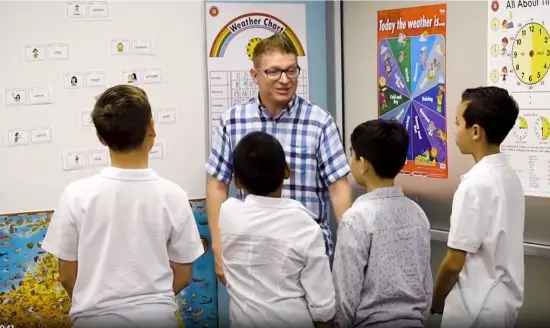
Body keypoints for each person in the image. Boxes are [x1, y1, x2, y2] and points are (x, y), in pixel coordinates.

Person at [41, 84, 205, 328]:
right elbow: (183, 274)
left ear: (100, 137)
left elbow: (66, 276)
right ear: (152, 128)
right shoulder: (174, 196)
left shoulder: (75, 196)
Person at [206, 32, 352, 284]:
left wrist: (350, 252)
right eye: (273, 72)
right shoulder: (232, 121)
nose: (284, 80)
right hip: (252, 257)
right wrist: (219, 250)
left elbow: (339, 188)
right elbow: (217, 185)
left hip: (309, 258)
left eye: (291, 70)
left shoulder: (319, 121)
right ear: (255, 76)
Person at [219, 131, 335, 328]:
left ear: (237, 180)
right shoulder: (304, 225)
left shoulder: (228, 214)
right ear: (286, 171)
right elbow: (323, 309)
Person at [432, 86, 525, 328]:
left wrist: (436, 300)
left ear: (475, 131)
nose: (454, 131)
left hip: (475, 309)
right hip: (503, 303)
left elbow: (454, 261)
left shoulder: (474, 184)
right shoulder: (510, 176)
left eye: (456, 123)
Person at [332, 119, 432, 328]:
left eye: (352, 154)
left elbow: (345, 296)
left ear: (364, 164)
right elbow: (425, 284)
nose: (350, 161)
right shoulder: (418, 214)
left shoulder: (355, 219)